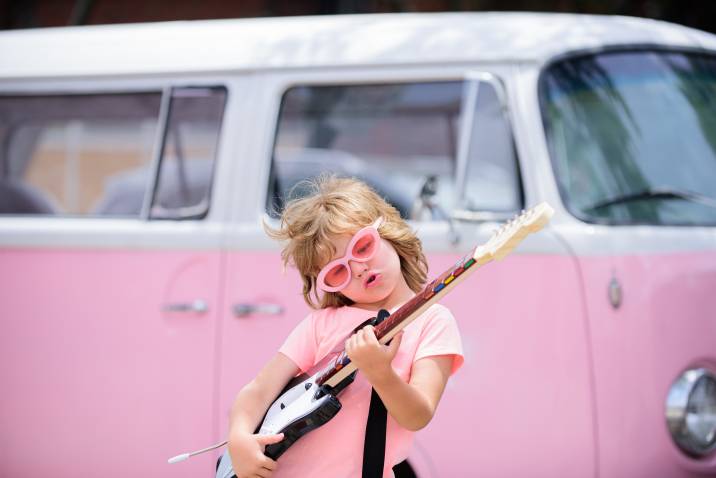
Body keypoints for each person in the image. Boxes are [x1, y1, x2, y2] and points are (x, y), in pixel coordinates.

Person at [226, 175, 464, 478]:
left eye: (362, 246)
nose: (359, 268)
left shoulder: (433, 320)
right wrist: (239, 438)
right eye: (338, 272)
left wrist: (381, 373)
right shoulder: (321, 325)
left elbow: (417, 415)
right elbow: (258, 390)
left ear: (387, 231)